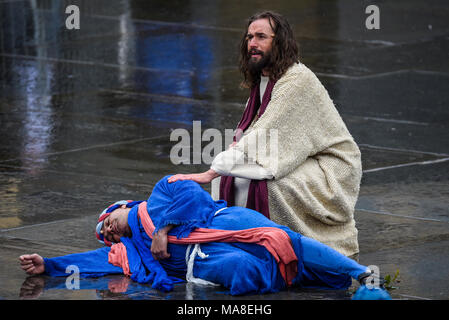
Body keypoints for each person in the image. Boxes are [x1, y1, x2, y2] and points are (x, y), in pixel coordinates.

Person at [168, 11, 362, 257]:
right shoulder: (266, 78)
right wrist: (221, 169)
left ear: (279, 41)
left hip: (331, 167)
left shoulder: (296, 80)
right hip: (302, 154)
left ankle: (291, 247)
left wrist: (209, 172)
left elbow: (266, 134)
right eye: (249, 37)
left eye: (261, 37)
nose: (252, 44)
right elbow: (256, 132)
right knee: (232, 177)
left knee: (270, 185)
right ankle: (242, 239)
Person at [19, 176, 389, 299]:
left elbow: (195, 193)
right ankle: (291, 278)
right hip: (205, 258)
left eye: (108, 220)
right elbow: (93, 261)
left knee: (289, 241)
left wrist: (163, 230)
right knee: (241, 268)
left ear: (122, 207)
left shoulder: (161, 191)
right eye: (105, 234)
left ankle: (361, 275)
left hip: (227, 223)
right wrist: (49, 265)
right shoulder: (128, 250)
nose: (108, 229)